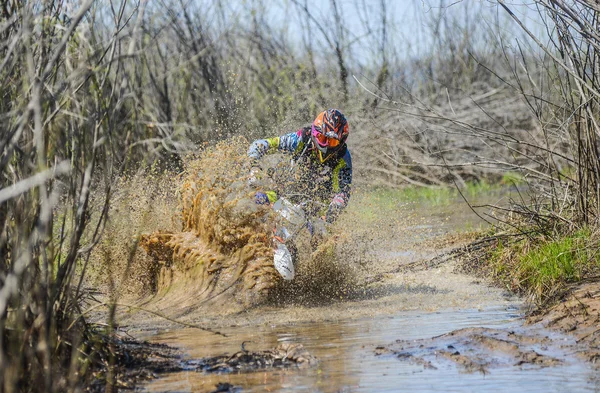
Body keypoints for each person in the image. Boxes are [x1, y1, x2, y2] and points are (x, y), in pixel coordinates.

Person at [247, 109, 352, 224]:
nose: (326, 145)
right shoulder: (301, 139)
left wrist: (334, 209)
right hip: (282, 195)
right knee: (254, 201)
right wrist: (254, 167)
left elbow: (343, 192)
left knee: (320, 235)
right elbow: (259, 145)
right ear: (315, 133)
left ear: (341, 142)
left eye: (332, 142)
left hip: (316, 211)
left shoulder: (343, 158)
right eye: (323, 138)